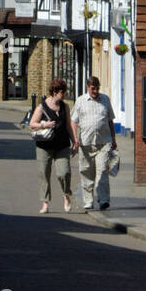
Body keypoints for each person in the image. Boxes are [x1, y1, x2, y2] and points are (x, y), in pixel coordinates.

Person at [70, 76, 117, 211]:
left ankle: (103, 200)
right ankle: (88, 200)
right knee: (86, 172)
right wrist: (75, 139)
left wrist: (113, 139)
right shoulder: (80, 101)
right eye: (93, 88)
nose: (95, 91)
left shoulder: (105, 100)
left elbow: (110, 121)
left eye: (97, 88)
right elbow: (73, 121)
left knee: (102, 171)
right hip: (86, 143)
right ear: (88, 87)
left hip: (103, 143)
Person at [29, 79, 74, 213]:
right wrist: (44, 125)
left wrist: (75, 140)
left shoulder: (65, 107)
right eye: (62, 92)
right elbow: (32, 123)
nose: (64, 95)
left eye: (64, 92)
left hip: (62, 145)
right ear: (54, 92)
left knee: (64, 172)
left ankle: (66, 195)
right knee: (44, 173)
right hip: (44, 146)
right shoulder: (42, 107)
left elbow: (68, 126)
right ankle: (45, 203)